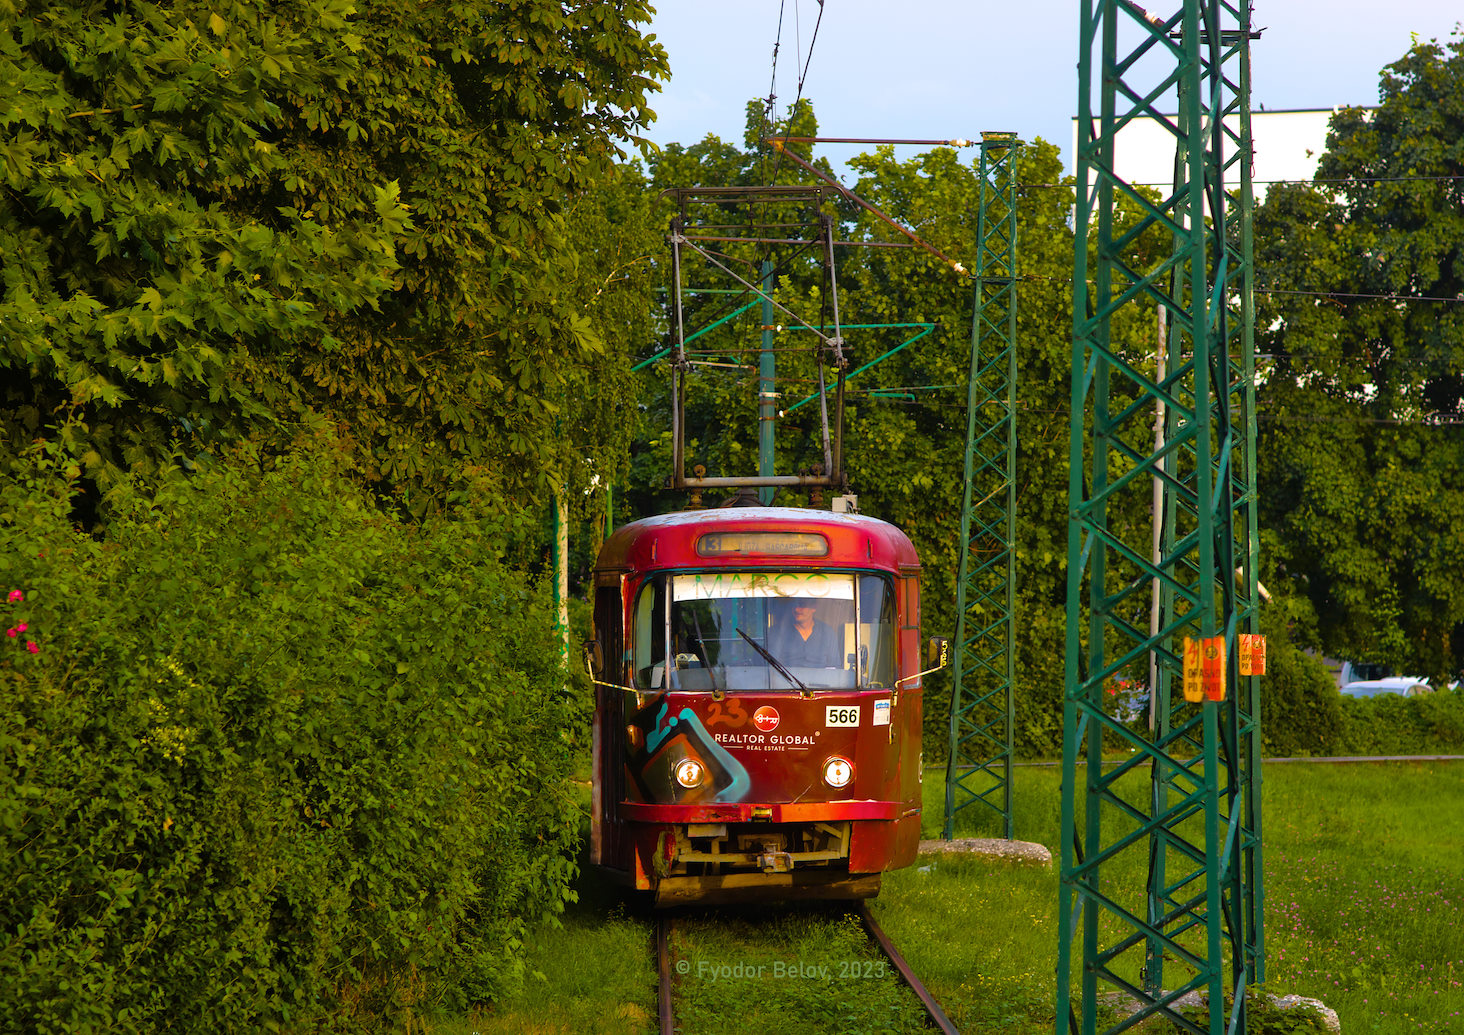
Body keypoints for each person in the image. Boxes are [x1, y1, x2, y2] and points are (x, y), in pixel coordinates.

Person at [768, 597, 842, 668]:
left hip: (820, 680)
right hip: (786, 679)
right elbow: (772, 665)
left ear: (814, 607)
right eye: (794, 605)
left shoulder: (827, 632)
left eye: (802, 605)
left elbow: (834, 666)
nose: (796, 609)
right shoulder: (778, 631)